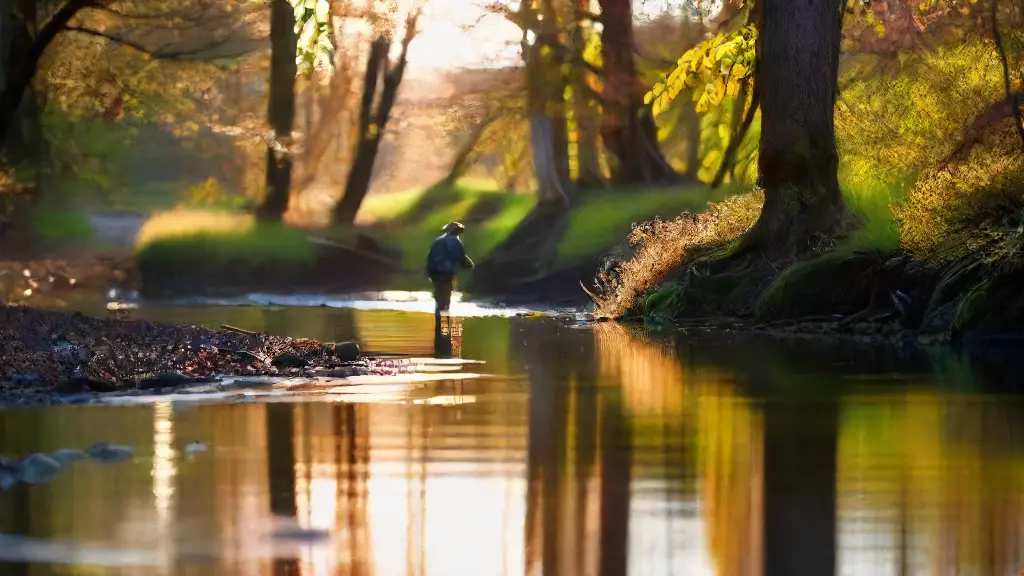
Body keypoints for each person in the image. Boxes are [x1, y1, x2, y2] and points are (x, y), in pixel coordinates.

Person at [426, 221, 474, 313]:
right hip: (447, 272)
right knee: (446, 292)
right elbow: (460, 257)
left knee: (439, 291)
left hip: (435, 272)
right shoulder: (456, 242)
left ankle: (439, 310)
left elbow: (431, 257)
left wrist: (429, 271)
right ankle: (445, 310)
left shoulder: (438, 240)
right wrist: (467, 264)